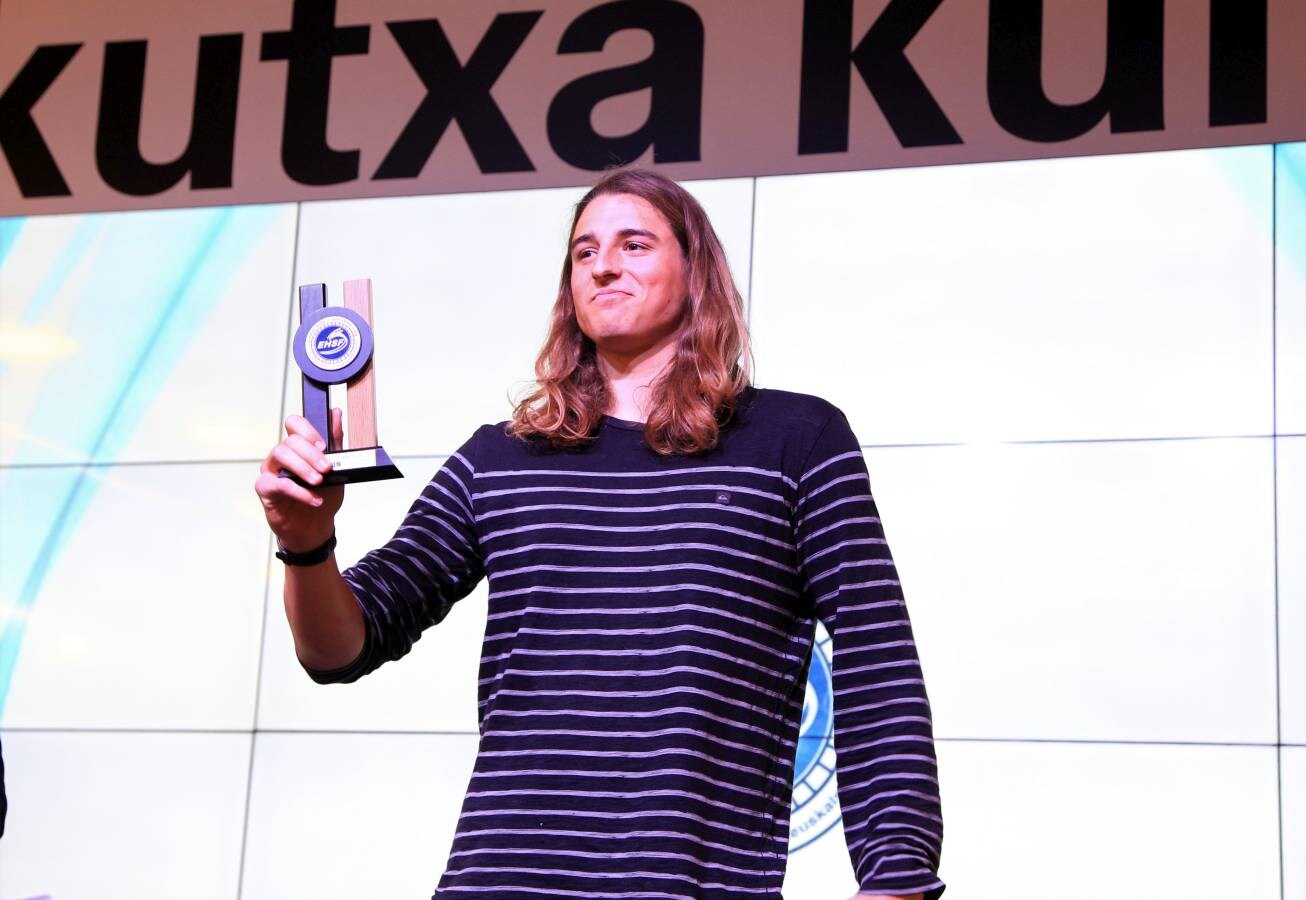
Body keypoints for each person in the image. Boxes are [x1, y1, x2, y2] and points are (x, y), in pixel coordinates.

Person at [255, 169, 944, 899]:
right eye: (584, 253)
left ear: (696, 270)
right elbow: (342, 647)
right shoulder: (502, 456)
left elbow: (878, 667)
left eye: (634, 243)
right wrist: (306, 543)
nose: (605, 264)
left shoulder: (796, 440)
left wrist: (896, 876)